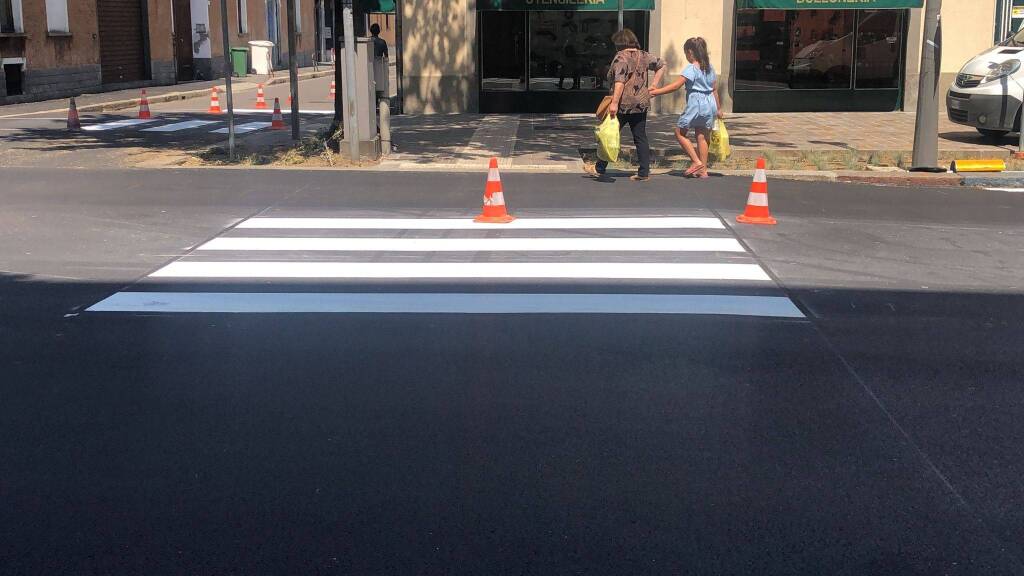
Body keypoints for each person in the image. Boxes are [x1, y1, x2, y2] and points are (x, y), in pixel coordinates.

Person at [592, 28, 666, 182]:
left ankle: (599, 168)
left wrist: (614, 103)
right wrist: (653, 85)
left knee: (608, 134)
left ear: (619, 43)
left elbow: (619, 82)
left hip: (623, 104)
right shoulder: (644, 55)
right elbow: (662, 64)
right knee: (640, 137)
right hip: (641, 102)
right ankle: (644, 172)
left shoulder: (621, 58)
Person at [649, 37, 722, 179]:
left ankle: (696, 161)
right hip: (709, 104)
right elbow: (714, 89)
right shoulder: (709, 67)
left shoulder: (691, 68)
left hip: (696, 104)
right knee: (702, 137)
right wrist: (718, 109)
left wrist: (655, 92)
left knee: (680, 132)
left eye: (686, 54)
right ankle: (703, 170)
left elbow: (676, 85)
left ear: (690, 52)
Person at [370, 23, 389, 102]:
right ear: (379, 31)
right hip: (379, 66)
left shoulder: (368, 42)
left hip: (369, 65)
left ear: (370, 31)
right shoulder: (382, 42)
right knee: (379, 86)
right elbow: (386, 56)